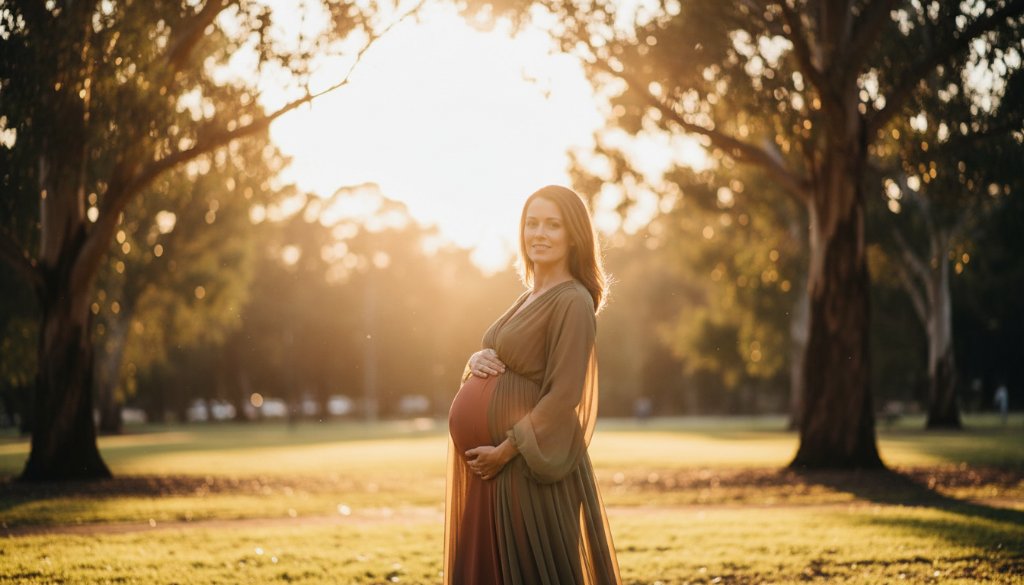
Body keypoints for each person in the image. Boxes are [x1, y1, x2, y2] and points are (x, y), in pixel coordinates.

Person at [445, 185, 621, 585]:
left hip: (523, 466)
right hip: (493, 468)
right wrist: (474, 360)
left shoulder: (572, 300)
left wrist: (506, 450)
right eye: (531, 224)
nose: (538, 234)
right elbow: (504, 361)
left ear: (574, 234)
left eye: (552, 225)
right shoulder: (530, 296)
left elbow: (564, 396)